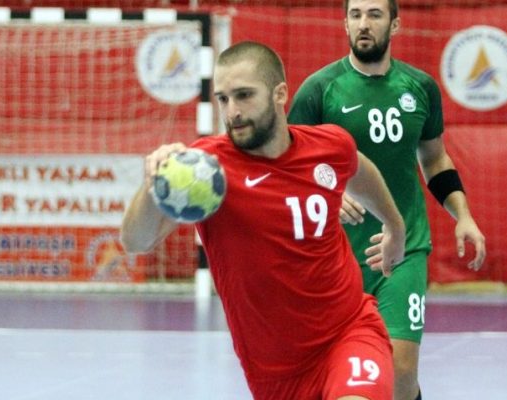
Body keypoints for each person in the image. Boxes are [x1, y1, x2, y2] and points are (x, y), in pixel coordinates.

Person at [122, 41, 406, 400]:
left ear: (279, 94)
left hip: (348, 332)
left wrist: (395, 226)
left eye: (244, 95)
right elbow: (136, 241)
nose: (233, 112)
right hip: (274, 373)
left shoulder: (329, 146)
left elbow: (359, 170)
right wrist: (154, 185)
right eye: (223, 99)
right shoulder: (204, 172)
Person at [288, 1, 486, 398]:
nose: (364, 23)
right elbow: (291, 165)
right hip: (337, 257)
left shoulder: (420, 87)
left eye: (375, 14)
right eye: (356, 14)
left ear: (394, 25)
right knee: (341, 371)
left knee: (400, 369)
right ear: (345, 23)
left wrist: (462, 214)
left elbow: (434, 159)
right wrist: (328, 192)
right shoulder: (319, 90)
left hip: (404, 248)